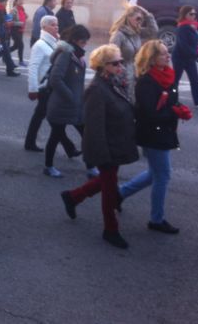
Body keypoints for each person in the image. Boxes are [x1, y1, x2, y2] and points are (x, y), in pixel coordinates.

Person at [59, 44, 139, 249]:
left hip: (117, 142)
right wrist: (101, 155)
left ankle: (73, 196)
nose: (121, 66)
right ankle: (110, 229)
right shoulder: (97, 90)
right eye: (116, 63)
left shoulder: (115, 82)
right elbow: (94, 128)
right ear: (103, 66)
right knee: (110, 189)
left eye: (121, 61)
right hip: (106, 148)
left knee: (106, 181)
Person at [118, 40, 190, 235]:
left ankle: (119, 194)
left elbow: (170, 100)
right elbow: (148, 113)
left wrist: (179, 108)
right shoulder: (147, 81)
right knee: (163, 175)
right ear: (151, 59)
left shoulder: (166, 75)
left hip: (164, 131)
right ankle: (156, 219)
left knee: (154, 174)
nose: (168, 56)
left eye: (168, 53)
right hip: (153, 133)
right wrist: (175, 113)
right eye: (163, 54)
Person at [44, 25, 92, 178]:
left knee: (86, 135)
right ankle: (48, 167)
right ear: (75, 41)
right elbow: (55, 79)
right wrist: (71, 96)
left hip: (76, 105)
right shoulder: (66, 54)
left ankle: (91, 166)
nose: (85, 45)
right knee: (56, 135)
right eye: (83, 42)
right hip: (62, 105)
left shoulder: (77, 55)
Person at [109, 5, 158, 101]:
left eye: (141, 19)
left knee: (133, 100)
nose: (140, 21)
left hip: (135, 71)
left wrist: (147, 15)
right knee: (123, 99)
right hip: (122, 72)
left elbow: (154, 31)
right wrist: (119, 73)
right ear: (129, 18)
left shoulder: (137, 32)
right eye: (138, 18)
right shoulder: (119, 35)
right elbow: (111, 55)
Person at [25, 16, 59, 152]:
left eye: (57, 25)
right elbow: (33, 67)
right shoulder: (40, 45)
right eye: (52, 25)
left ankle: (29, 142)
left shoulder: (54, 43)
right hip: (44, 87)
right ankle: (69, 147)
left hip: (51, 86)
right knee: (47, 116)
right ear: (44, 27)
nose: (56, 27)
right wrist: (33, 89)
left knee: (43, 115)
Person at [172, 5, 198, 107]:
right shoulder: (182, 27)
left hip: (189, 58)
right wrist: (196, 54)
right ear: (184, 15)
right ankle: (172, 99)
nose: (193, 16)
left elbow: (193, 42)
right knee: (175, 81)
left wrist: (197, 53)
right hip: (179, 58)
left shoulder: (193, 26)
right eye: (191, 14)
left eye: (194, 14)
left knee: (194, 79)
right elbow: (183, 45)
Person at [9, 0, 27, 66]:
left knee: (16, 46)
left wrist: (25, 17)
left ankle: (5, 53)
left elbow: (23, 18)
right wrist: (20, 23)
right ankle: (21, 61)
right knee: (21, 45)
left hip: (20, 30)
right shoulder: (13, 10)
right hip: (14, 30)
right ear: (16, 1)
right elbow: (10, 21)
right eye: (19, 0)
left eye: (22, 0)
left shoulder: (22, 9)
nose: (21, 1)